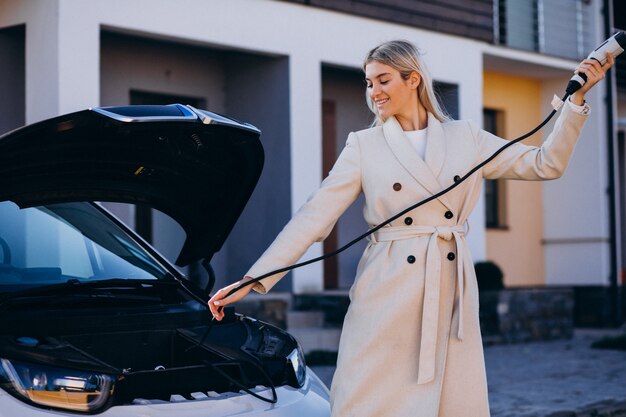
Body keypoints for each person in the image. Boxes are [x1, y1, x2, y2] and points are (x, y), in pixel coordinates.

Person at [208, 40, 614, 416]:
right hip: (386, 291)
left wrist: (575, 100)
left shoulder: (466, 137)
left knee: (451, 401)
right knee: (368, 397)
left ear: (412, 79)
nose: (374, 91)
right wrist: (255, 278)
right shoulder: (363, 146)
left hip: (449, 286)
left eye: (383, 80)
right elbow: (315, 216)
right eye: (368, 83)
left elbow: (546, 163)